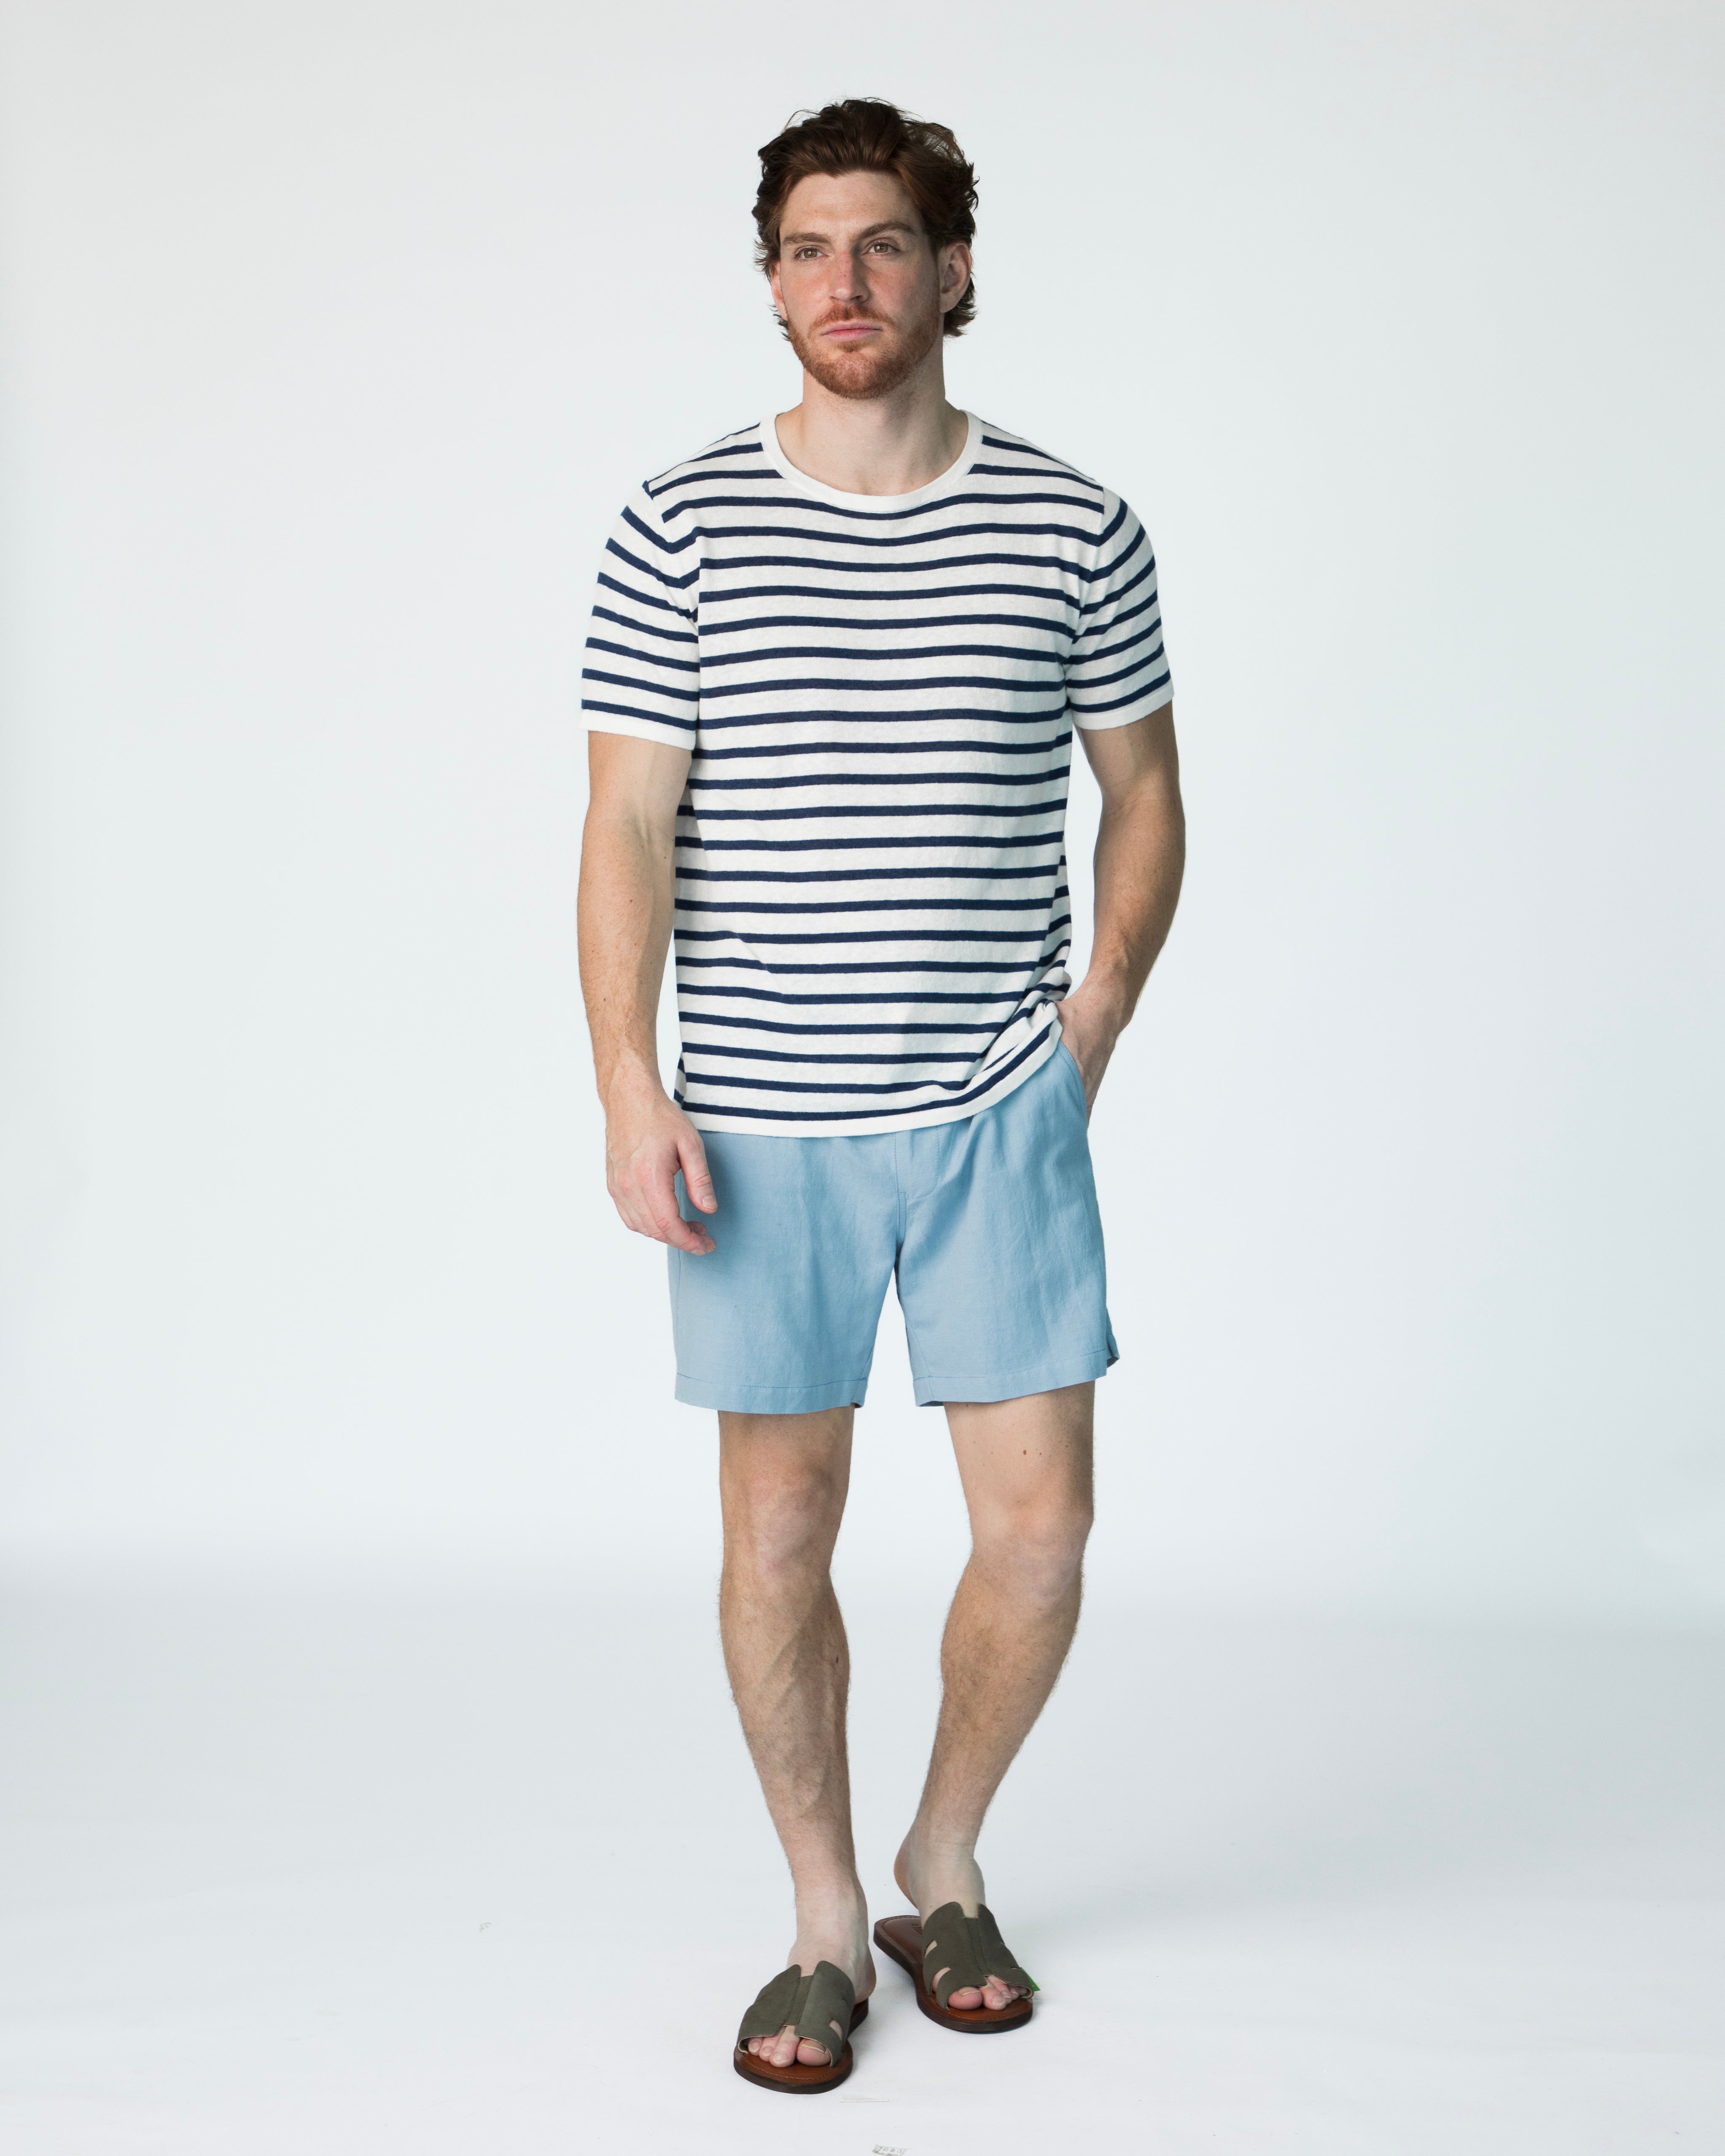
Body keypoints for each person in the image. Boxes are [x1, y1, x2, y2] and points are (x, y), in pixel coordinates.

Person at [577, 97, 1184, 2092]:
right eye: (807, 248)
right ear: (772, 282)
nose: (845, 282)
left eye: (885, 243)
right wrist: (629, 1082)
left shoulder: (1076, 524)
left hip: (1000, 1103)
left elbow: (1147, 794)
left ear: (954, 270)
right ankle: (830, 1914)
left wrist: (1090, 1021)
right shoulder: (679, 525)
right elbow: (625, 826)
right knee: (780, 1530)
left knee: (1043, 1535)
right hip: (760, 1114)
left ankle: (946, 1855)